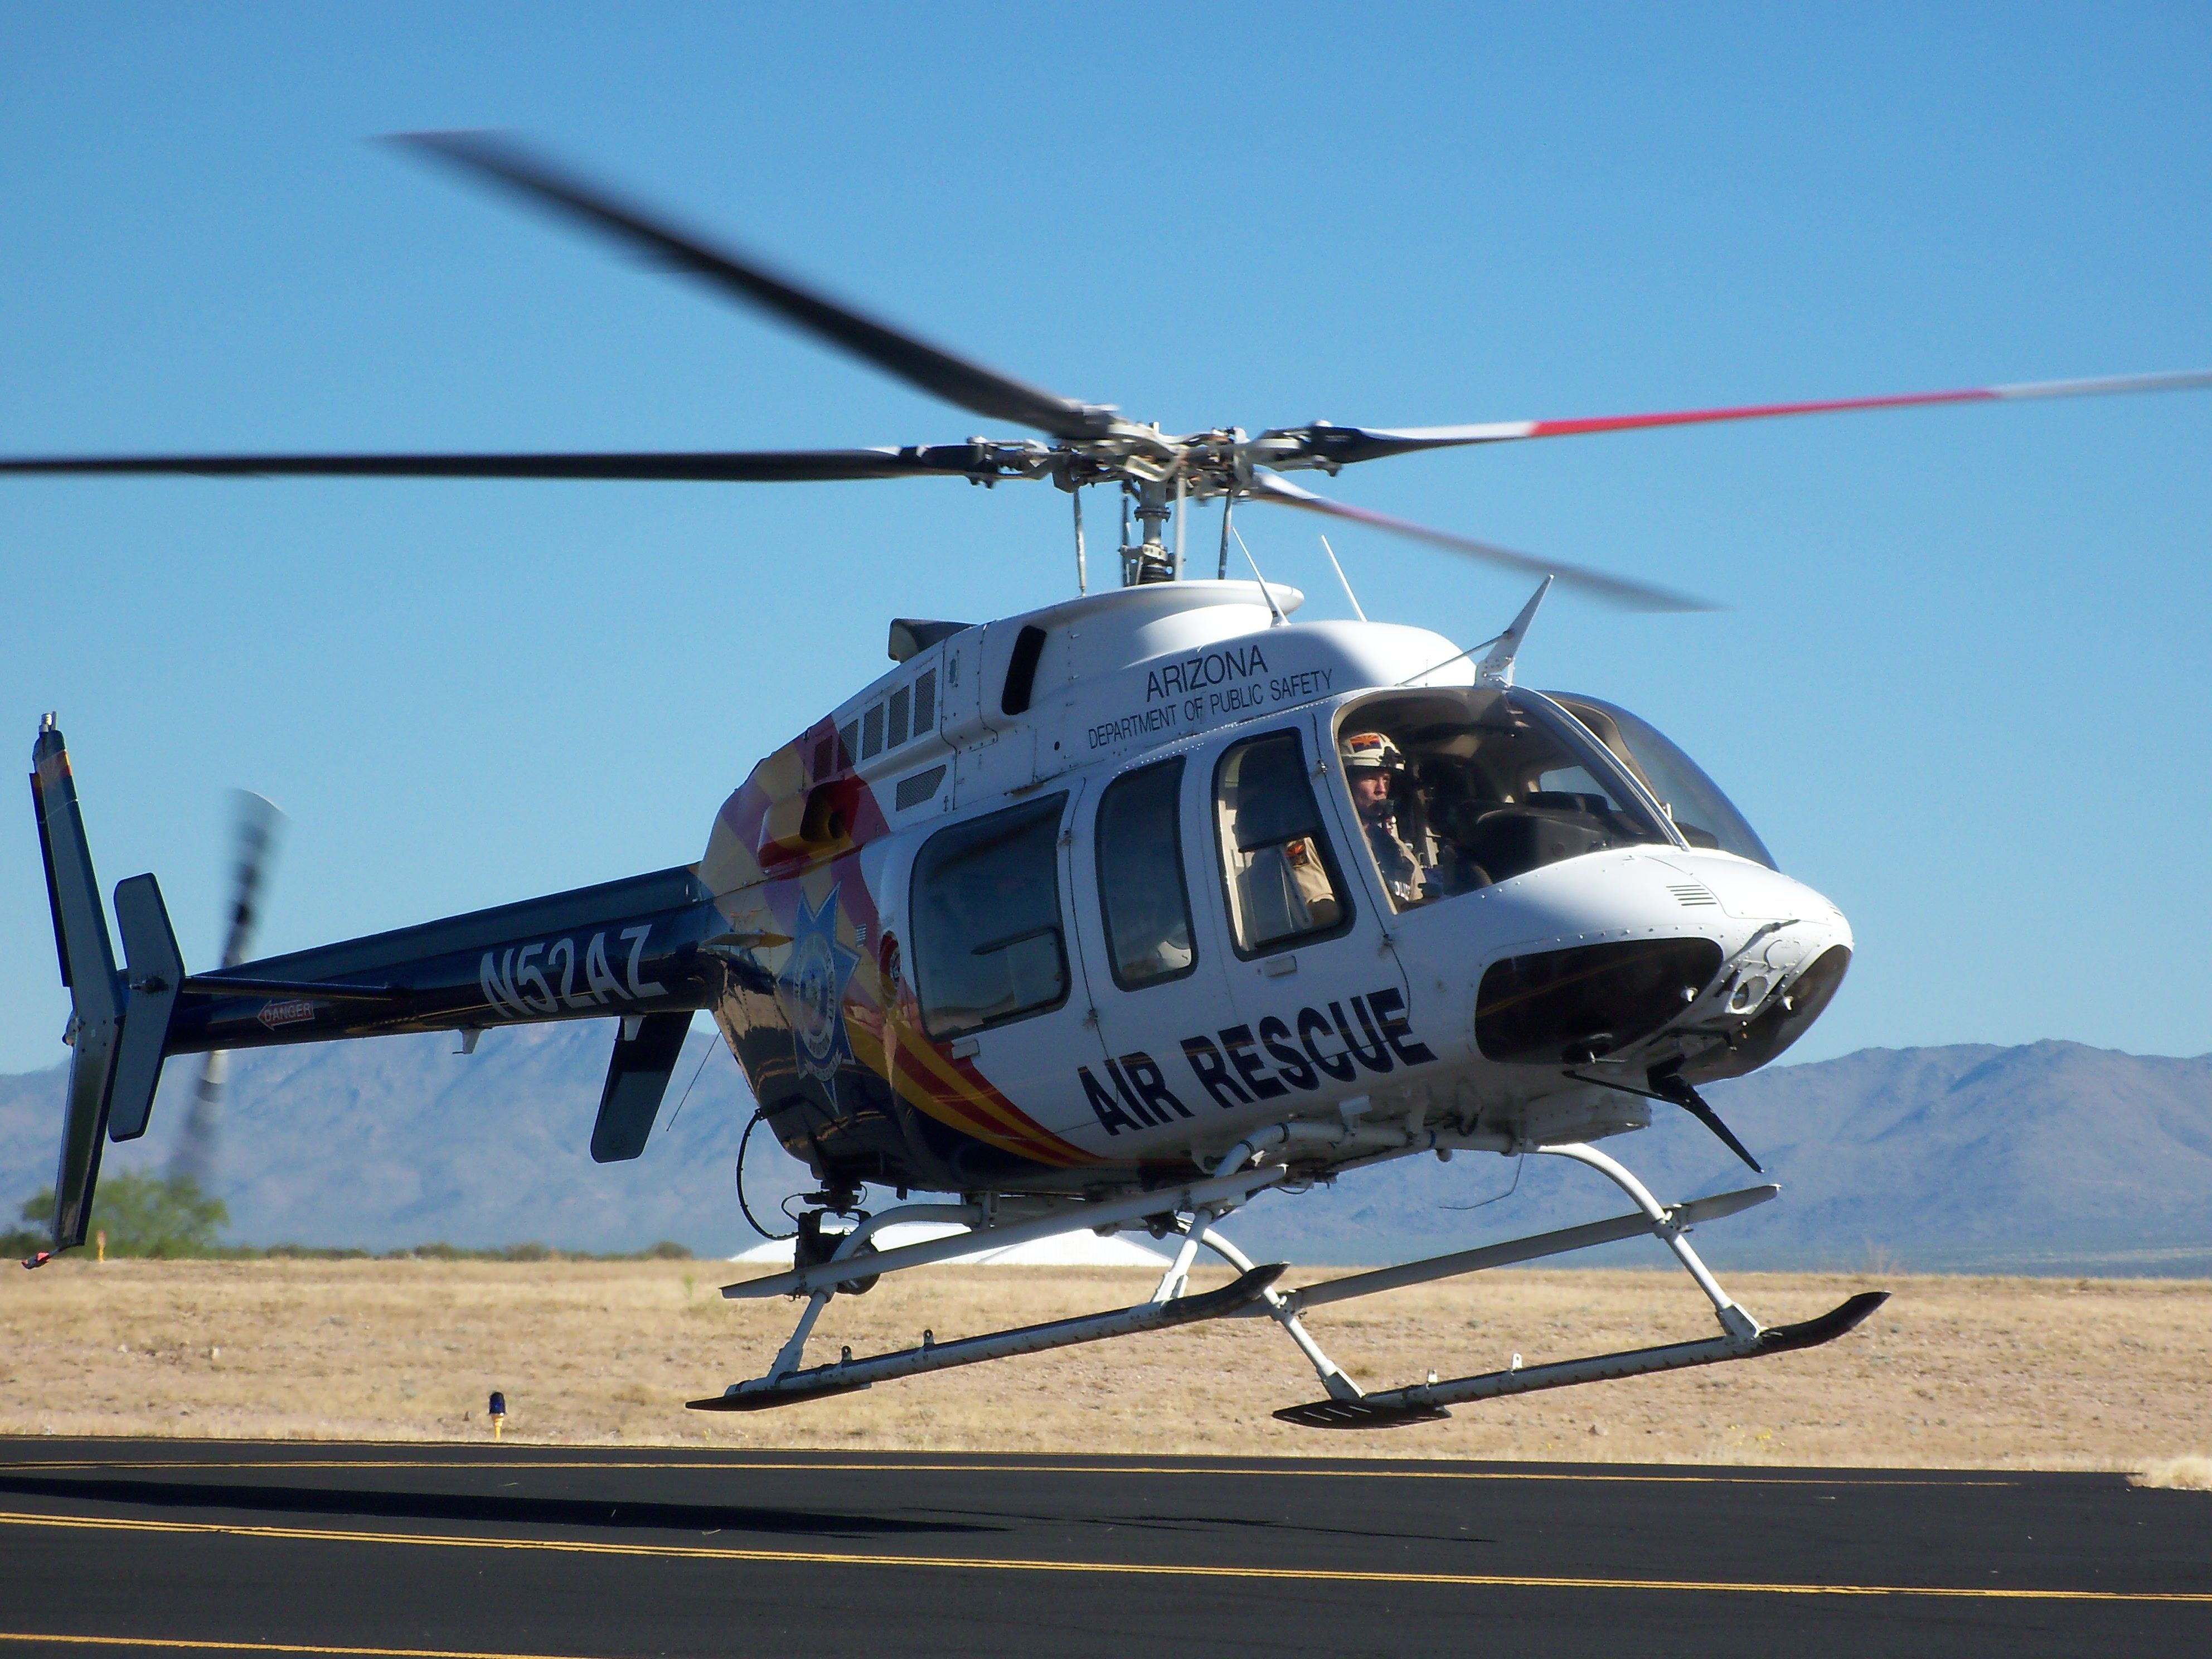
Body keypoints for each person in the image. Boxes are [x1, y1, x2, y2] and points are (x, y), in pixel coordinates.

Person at [1339, 730, 1428, 906]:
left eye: (1386, 780)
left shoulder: (1397, 849)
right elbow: (1322, 912)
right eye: (1371, 779)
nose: (1381, 789)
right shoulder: (1320, 846)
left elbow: (1420, 905)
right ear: (1345, 783)